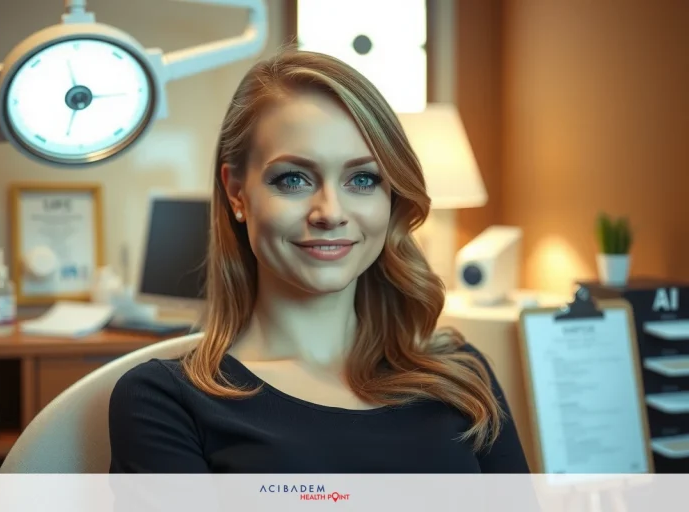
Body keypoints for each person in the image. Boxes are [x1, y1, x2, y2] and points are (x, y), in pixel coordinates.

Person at [108, 48, 530, 474]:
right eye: (293, 179)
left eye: (362, 179)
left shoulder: (459, 374)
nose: (330, 212)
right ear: (236, 192)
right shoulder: (165, 401)